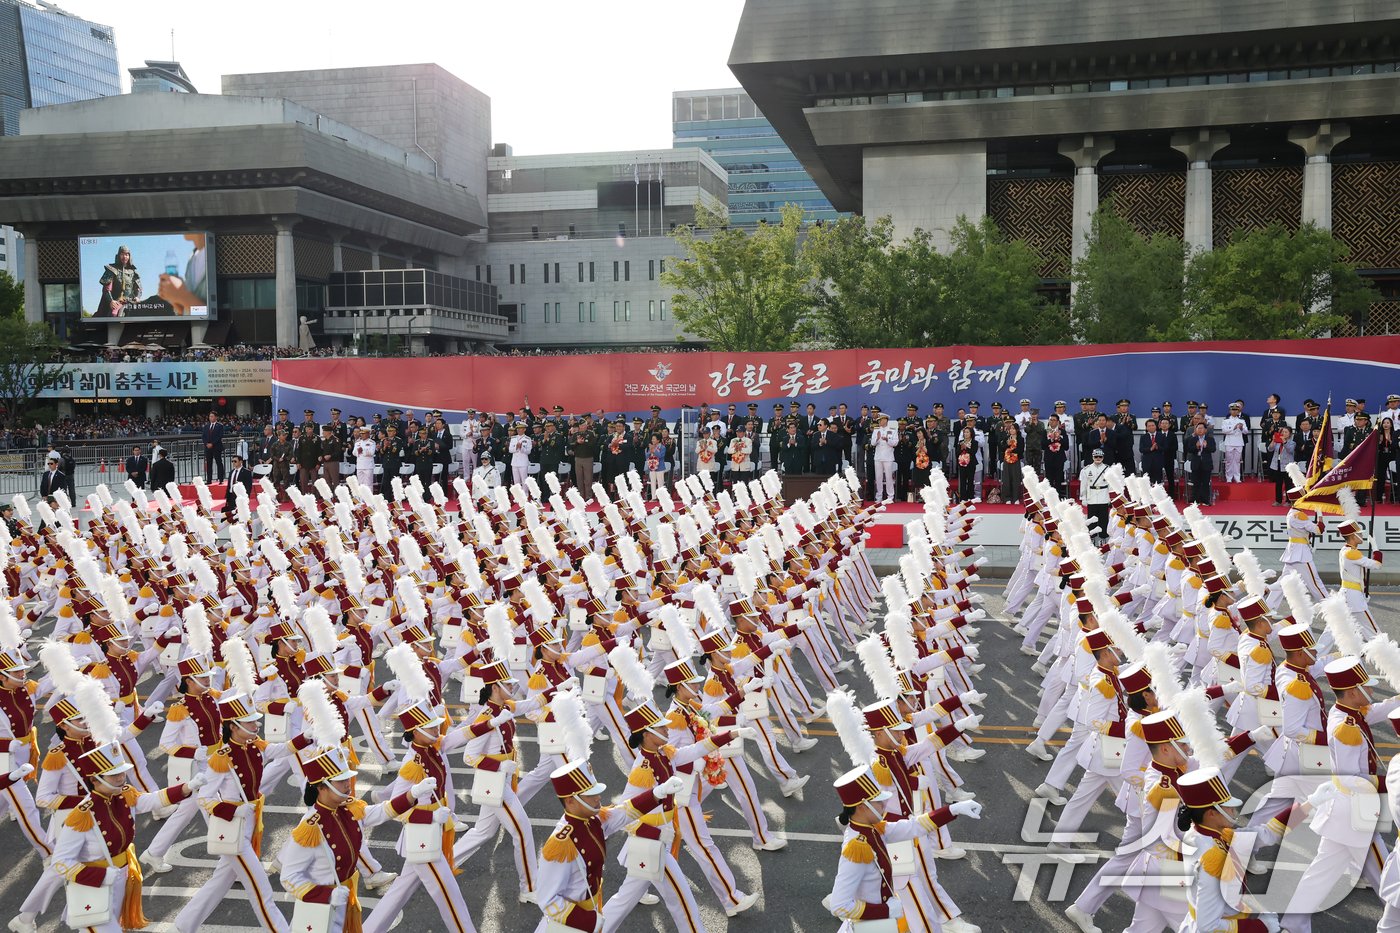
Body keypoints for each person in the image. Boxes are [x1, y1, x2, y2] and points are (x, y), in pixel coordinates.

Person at [95, 244, 140, 317]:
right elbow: (107, 289)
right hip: (117, 301)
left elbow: (138, 288)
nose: (125, 257)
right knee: (114, 313)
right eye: (122, 254)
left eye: (127, 254)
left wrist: (138, 297)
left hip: (131, 301)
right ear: (118, 255)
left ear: (129, 256)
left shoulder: (134, 273)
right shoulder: (112, 270)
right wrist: (111, 301)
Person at [1079, 449, 1111, 540]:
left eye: (1100, 457)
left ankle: (1103, 533)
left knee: (1104, 517)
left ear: (1103, 457)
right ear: (1092, 457)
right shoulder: (1086, 470)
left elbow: (1110, 485)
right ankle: (1092, 534)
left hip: (1103, 495)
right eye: (1096, 456)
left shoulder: (1108, 469)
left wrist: (1110, 497)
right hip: (1091, 496)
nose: (1098, 458)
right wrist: (1083, 498)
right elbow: (1083, 485)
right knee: (1092, 517)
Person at [1185, 423, 1216, 505]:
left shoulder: (1210, 439)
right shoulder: (1192, 439)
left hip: (1206, 463)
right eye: (1198, 428)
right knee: (1196, 482)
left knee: (1205, 482)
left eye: (1202, 428)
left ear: (1205, 430)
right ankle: (1195, 500)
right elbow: (1189, 450)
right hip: (1196, 463)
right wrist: (1196, 447)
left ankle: (1205, 500)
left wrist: (1206, 446)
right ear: (1196, 430)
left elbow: (1213, 449)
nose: (1200, 430)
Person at [871, 413, 898, 503]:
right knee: (878, 477)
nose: (879, 422)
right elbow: (872, 443)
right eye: (878, 420)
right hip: (878, 457)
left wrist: (888, 440)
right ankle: (879, 496)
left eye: (881, 420)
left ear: (885, 420)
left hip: (888, 457)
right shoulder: (876, 430)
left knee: (888, 477)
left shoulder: (893, 430)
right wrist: (877, 438)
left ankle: (890, 496)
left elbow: (895, 443)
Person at [1266, 425, 1295, 506]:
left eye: (1286, 432)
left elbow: (1290, 450)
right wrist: (1273, 441)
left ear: (1290, 434)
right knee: (1278, 484)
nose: (1284, 434)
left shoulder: (1292, 442)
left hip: (1288, 466)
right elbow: (1270, 449)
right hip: (1277, 464)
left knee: (1288, 484)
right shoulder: (1277, 442)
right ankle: (1278, 501)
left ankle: (1289, 501)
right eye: (1283, 432)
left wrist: (1284, 442)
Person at [1220, 402, 1247, 483]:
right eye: (1233, 410)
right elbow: (1224, 431)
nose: (1234, 411)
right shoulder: (1226, 421)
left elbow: (1246, 432)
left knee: (1237, 461)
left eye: (1236, 410)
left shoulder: (1242, 421)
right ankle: (1229, 477)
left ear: (1238, 411)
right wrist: (1234, 428)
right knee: (1229, 461)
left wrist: (1242, 428)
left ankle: (1237, 477)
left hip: (1239, 443)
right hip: (1229, 442)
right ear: (1230, 411)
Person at [1043, 415, 1068, 495]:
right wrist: (1051, 439)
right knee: (1049, 478)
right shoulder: (1045, 431)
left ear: (1057, 422)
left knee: (1058, 478)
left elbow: (1066, 446)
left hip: (1059, 458)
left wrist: (1059, 438)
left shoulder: (1062, 431)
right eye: (1050, 420)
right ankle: (1049, 496)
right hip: (1049, 458)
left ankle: (1058, 496)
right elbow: (1042, 445)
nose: (1052, 421)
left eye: (1054, 420)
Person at [1138, 417, 1168, 484]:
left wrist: (1158, 447)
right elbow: (1141, 449)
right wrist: (1150, 449)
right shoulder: (1143, 437)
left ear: (1156, 426)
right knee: (1147, 483)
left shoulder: (1162, 436)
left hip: (1158, 463)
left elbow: (1165, 448)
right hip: (1147, 463)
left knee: (1158, 483)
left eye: (1153, 425)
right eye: (1149, 426)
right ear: (1146, 428)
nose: (1151, 427)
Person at [955, 425, 979, 503]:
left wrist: (966, 448)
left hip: (971, 463)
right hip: (962, 463)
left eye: (967, 432)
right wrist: (961, 448)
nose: (966, 434)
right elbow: (957, 453)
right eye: (964, 432)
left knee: (970, 480)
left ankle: (970, 496)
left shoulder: (974, 442)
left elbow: (973, 452)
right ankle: (963, 498)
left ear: (971, 433)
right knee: (962, 481)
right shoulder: (960, 442)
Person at [202, 412, 226, 483]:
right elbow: (203, 436)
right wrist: (206, 443)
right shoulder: (206, 426)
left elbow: (220, 436)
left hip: (216, 447)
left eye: (212, 416)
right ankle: (209, 480)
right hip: (208, 448)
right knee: (209, 463)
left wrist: (212, 443)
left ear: (216, 417)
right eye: (210, 416)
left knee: (219, 462)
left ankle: (220, 479)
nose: (210, 418)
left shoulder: (220, 426)